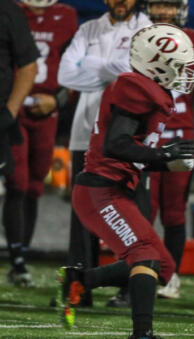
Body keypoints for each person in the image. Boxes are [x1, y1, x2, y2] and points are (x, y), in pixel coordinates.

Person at [58, 23, 194, 339]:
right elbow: (115, 144)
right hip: (99, 191)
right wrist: (163, 154)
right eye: (177, 65)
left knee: (163, 265)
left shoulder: (149, 89)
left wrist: (166, 162)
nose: (183, 72)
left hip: (116, 188)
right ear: (157, 64)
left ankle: (81, 279)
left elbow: (132, 152)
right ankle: (141, 335)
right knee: (145, 254)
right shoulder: (135, 87)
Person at [57, 0, 151, 307]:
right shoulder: (88, 29)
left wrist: (93, 66)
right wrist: (112, 73)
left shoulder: (146, 30)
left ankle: (129, 284)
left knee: (130, 213)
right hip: (85, 135)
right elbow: (65, 75)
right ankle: (79, 287)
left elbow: (139, 75)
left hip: (127, 136)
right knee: (82, 212)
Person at [142, 0, 194, 301]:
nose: (163, 11)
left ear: (182, 8)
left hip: (180, 136)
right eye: (158, 4)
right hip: (146, 138)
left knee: (174, 213)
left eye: (169, 5)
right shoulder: (138, 37)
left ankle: (170, 275)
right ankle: (142, 270)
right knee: (142, 211)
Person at [3, 0, 77, 287]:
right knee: (17, 182)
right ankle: (17, 260)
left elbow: (75, 66)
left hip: (48, 110)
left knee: (34, 185)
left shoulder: (67, 17)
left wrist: (57, 99)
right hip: (14, 106)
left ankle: (22, 254)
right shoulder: (10, 10)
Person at [0, 0, 39, 286]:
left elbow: (28, 66)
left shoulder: (8, 10)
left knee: (19, 185)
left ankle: (17, 258)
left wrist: (10, 112)